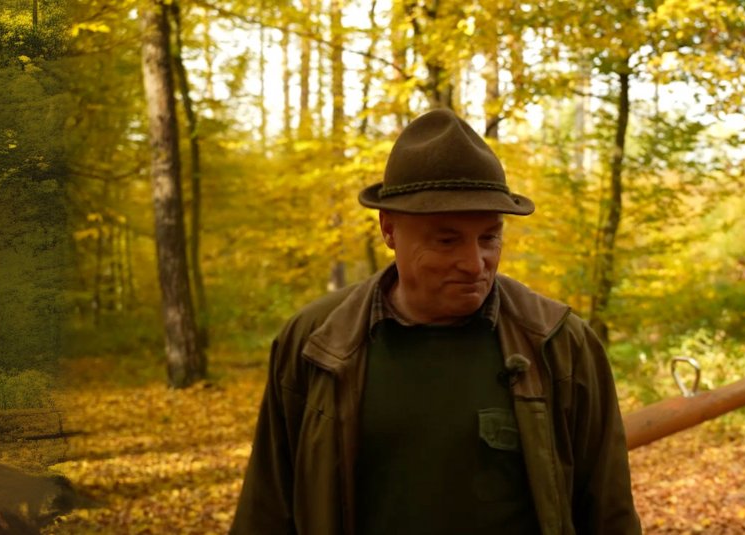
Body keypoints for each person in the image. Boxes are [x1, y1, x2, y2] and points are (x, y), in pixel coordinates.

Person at [229, 108, 642, 535]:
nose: (474, 263)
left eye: (489, 237)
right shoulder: (316, 342)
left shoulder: (560, 344)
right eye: (447, 240)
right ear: (389, 229)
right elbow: (267, 506)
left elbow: (609, 511)